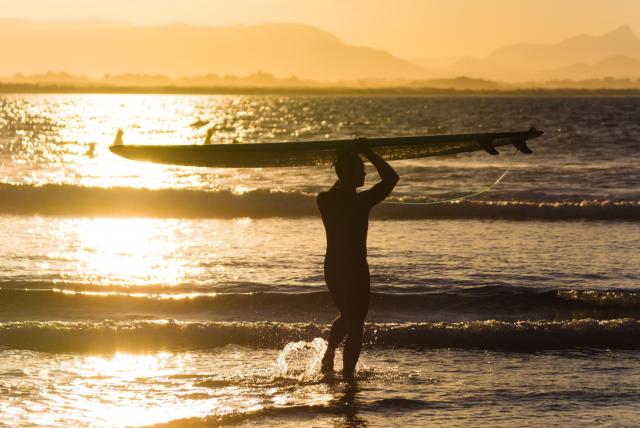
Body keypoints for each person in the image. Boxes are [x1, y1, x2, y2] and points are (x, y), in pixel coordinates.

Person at [317, 138, 399, 380]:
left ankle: (329, 354)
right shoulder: (361, 202)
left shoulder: (323, 200)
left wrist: (347, 163)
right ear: (350, 174)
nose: (365, 174)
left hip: (332, 267)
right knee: (356, 323)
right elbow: (392, 178)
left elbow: (339, 186)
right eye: (361, 171)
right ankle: (348, 378)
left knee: (347, 314)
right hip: (354, 268)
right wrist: (368, 152)